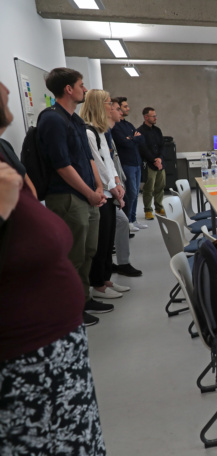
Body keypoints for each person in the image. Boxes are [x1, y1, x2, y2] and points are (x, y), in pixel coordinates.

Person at [0, 80, 108, 456]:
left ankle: (87, 299)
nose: (5, 88)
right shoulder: (51, 121)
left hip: (56, 351)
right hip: (23, 363)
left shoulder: (5, 148)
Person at [39, 68, 113, 323]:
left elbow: (89, 158)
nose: (85, 89)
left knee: (89, 250)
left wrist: (98, 188)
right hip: (68, 198)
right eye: (81, 85)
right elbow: (62, 165)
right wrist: (89, 193)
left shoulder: (76, 121)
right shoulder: (52, 119)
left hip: (87, 196)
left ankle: (84, 298)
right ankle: (71, 309)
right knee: (73, 255)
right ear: (69, 89)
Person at [80, 89, 131, 299]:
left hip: (110, 192)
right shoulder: (88, 132)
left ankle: (106, 279)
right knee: (100, 242)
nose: (112, 107)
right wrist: (112, 187)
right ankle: (98, 284)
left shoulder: (100, 132)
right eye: (109, 103)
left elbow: (109, 162)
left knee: (109, 240)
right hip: (103, 194)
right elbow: (97, 165)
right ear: (99, 106)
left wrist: (117, 183)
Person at [106, 101, 143, 278]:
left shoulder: (113, 129)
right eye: (117, 108)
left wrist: (117, 182)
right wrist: (114, 185)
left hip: (117, 179)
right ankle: (106, 272)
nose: (121, 111)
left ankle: (121, 263)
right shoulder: (99, 132)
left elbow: (138, 139)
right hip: (106, 188)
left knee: (123, 215)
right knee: (130, 196)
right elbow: (103, 163)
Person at [112, 96, 147, 232]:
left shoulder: (129, 125)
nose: (128, 108)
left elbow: (141, 139)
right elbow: (124, 143)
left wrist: (132, 138)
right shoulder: (116, 127)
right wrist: (134, 138)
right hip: (127, 164)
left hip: (136, 163)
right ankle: (129, 221)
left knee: (136, 192)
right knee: (131, 193)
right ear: (119, 109)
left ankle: (133, 219)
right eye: (125, 106)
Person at [137, 106, 166, 220]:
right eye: (153, 116)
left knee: (160, 186)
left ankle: (159, 207)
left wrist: (160, 159)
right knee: (149, 188)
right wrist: (154, 160)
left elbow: (162, 146)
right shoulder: (140, 131)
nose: (155, 118)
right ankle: (148, 210)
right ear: (146, 117)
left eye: (155, 116)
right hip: (149, 164)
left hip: (160, 163)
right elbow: (143, 149)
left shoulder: (157, 130)